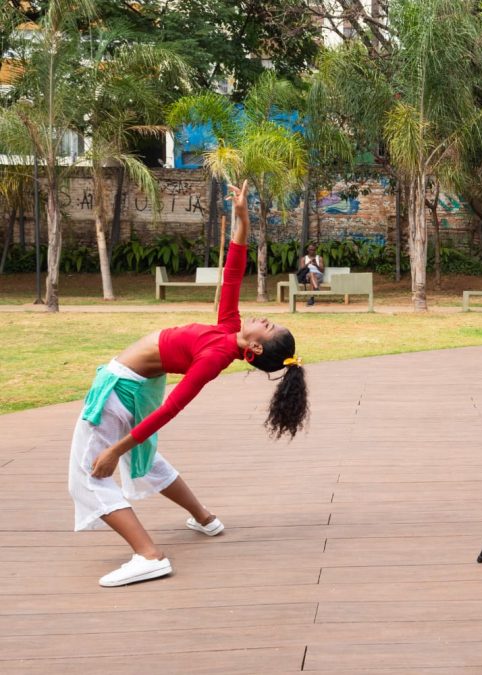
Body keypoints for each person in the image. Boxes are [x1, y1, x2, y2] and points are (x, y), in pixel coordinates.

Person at [68, 180, 310, 588]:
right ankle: (205, 519)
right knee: (151, 465)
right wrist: (242, 217)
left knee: (87, 477)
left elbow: (171, 410)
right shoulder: (228, 329)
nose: (261, 319)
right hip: (137, 390)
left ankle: (149, 555)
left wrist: (116, 449)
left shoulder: (215, 358)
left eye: (266, 327)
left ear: (252, 350)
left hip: (123, 393)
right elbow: (234, 268)